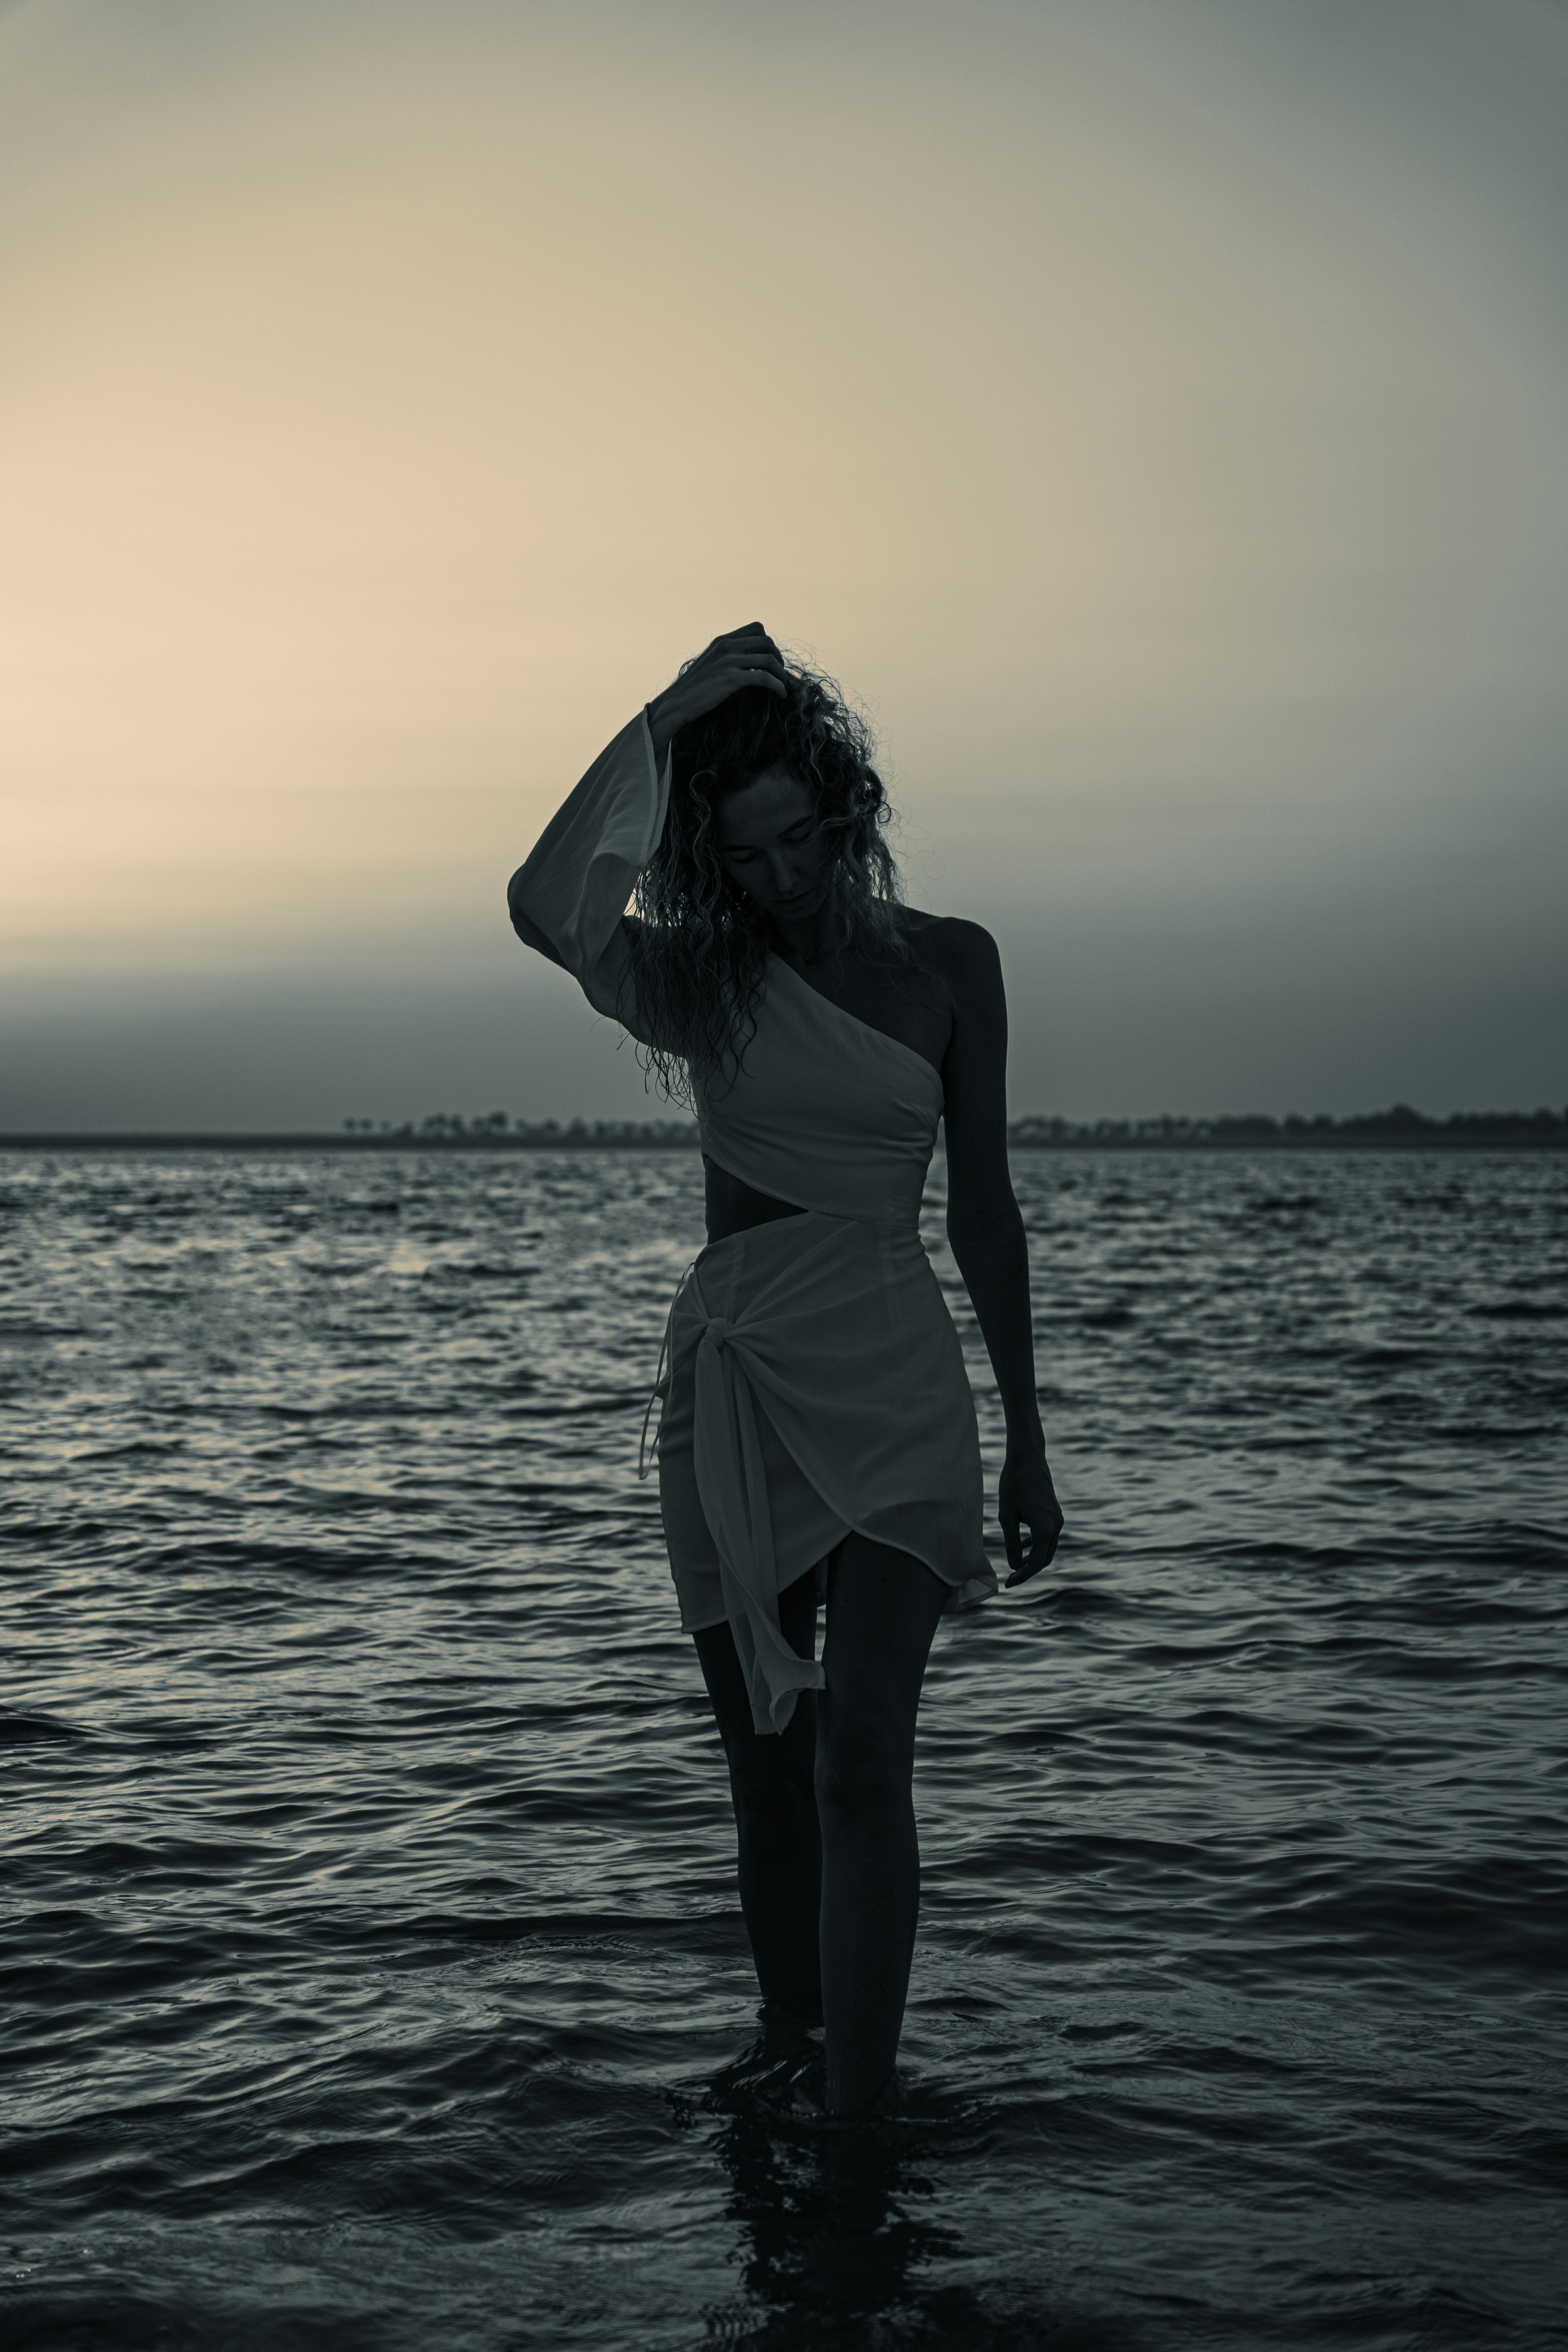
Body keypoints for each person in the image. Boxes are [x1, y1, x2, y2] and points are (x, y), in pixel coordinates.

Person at [508, 623, 1063, 2115]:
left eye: (799, 840)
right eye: (742, 856)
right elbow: (543, 904)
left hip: (891, 1374)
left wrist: (1028, 1433)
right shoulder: (710, 984)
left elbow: (988, 1210)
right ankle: (798, 2058)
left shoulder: (956, 966)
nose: (778, 879)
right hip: (738, 1390)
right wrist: (667, 717)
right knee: (770, 1772)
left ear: (848, 810)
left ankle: (861, 2126)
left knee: (861, 1762)